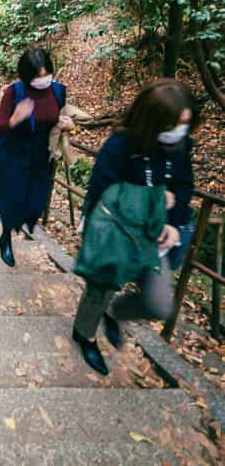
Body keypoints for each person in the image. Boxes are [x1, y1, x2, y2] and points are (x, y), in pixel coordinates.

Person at [71, 79, 196, 377]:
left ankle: (115, 312)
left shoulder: (180, 146)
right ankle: (84, 335)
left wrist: (176, 223)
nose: (181, 131)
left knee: (158, 304)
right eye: (176, 124)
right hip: (115, 232)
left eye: (186, 124)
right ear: (153, 121)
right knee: (99, 290)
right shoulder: (120, 147)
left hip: (156, 236)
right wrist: (153, 200)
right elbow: (104, 194)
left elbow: (183, 186)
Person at [0, 47, 72, 267]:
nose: (43, 79)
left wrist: (66, 125)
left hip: (39, 154)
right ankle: (5, 236)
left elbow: (61, 115)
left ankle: (22, 222)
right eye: (38, 76)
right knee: (10, 200)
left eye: (46, 74)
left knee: (36, 201)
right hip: (12, 153)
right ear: (26, 76)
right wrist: (14, 119)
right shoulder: (14, 92)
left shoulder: (58, 91)